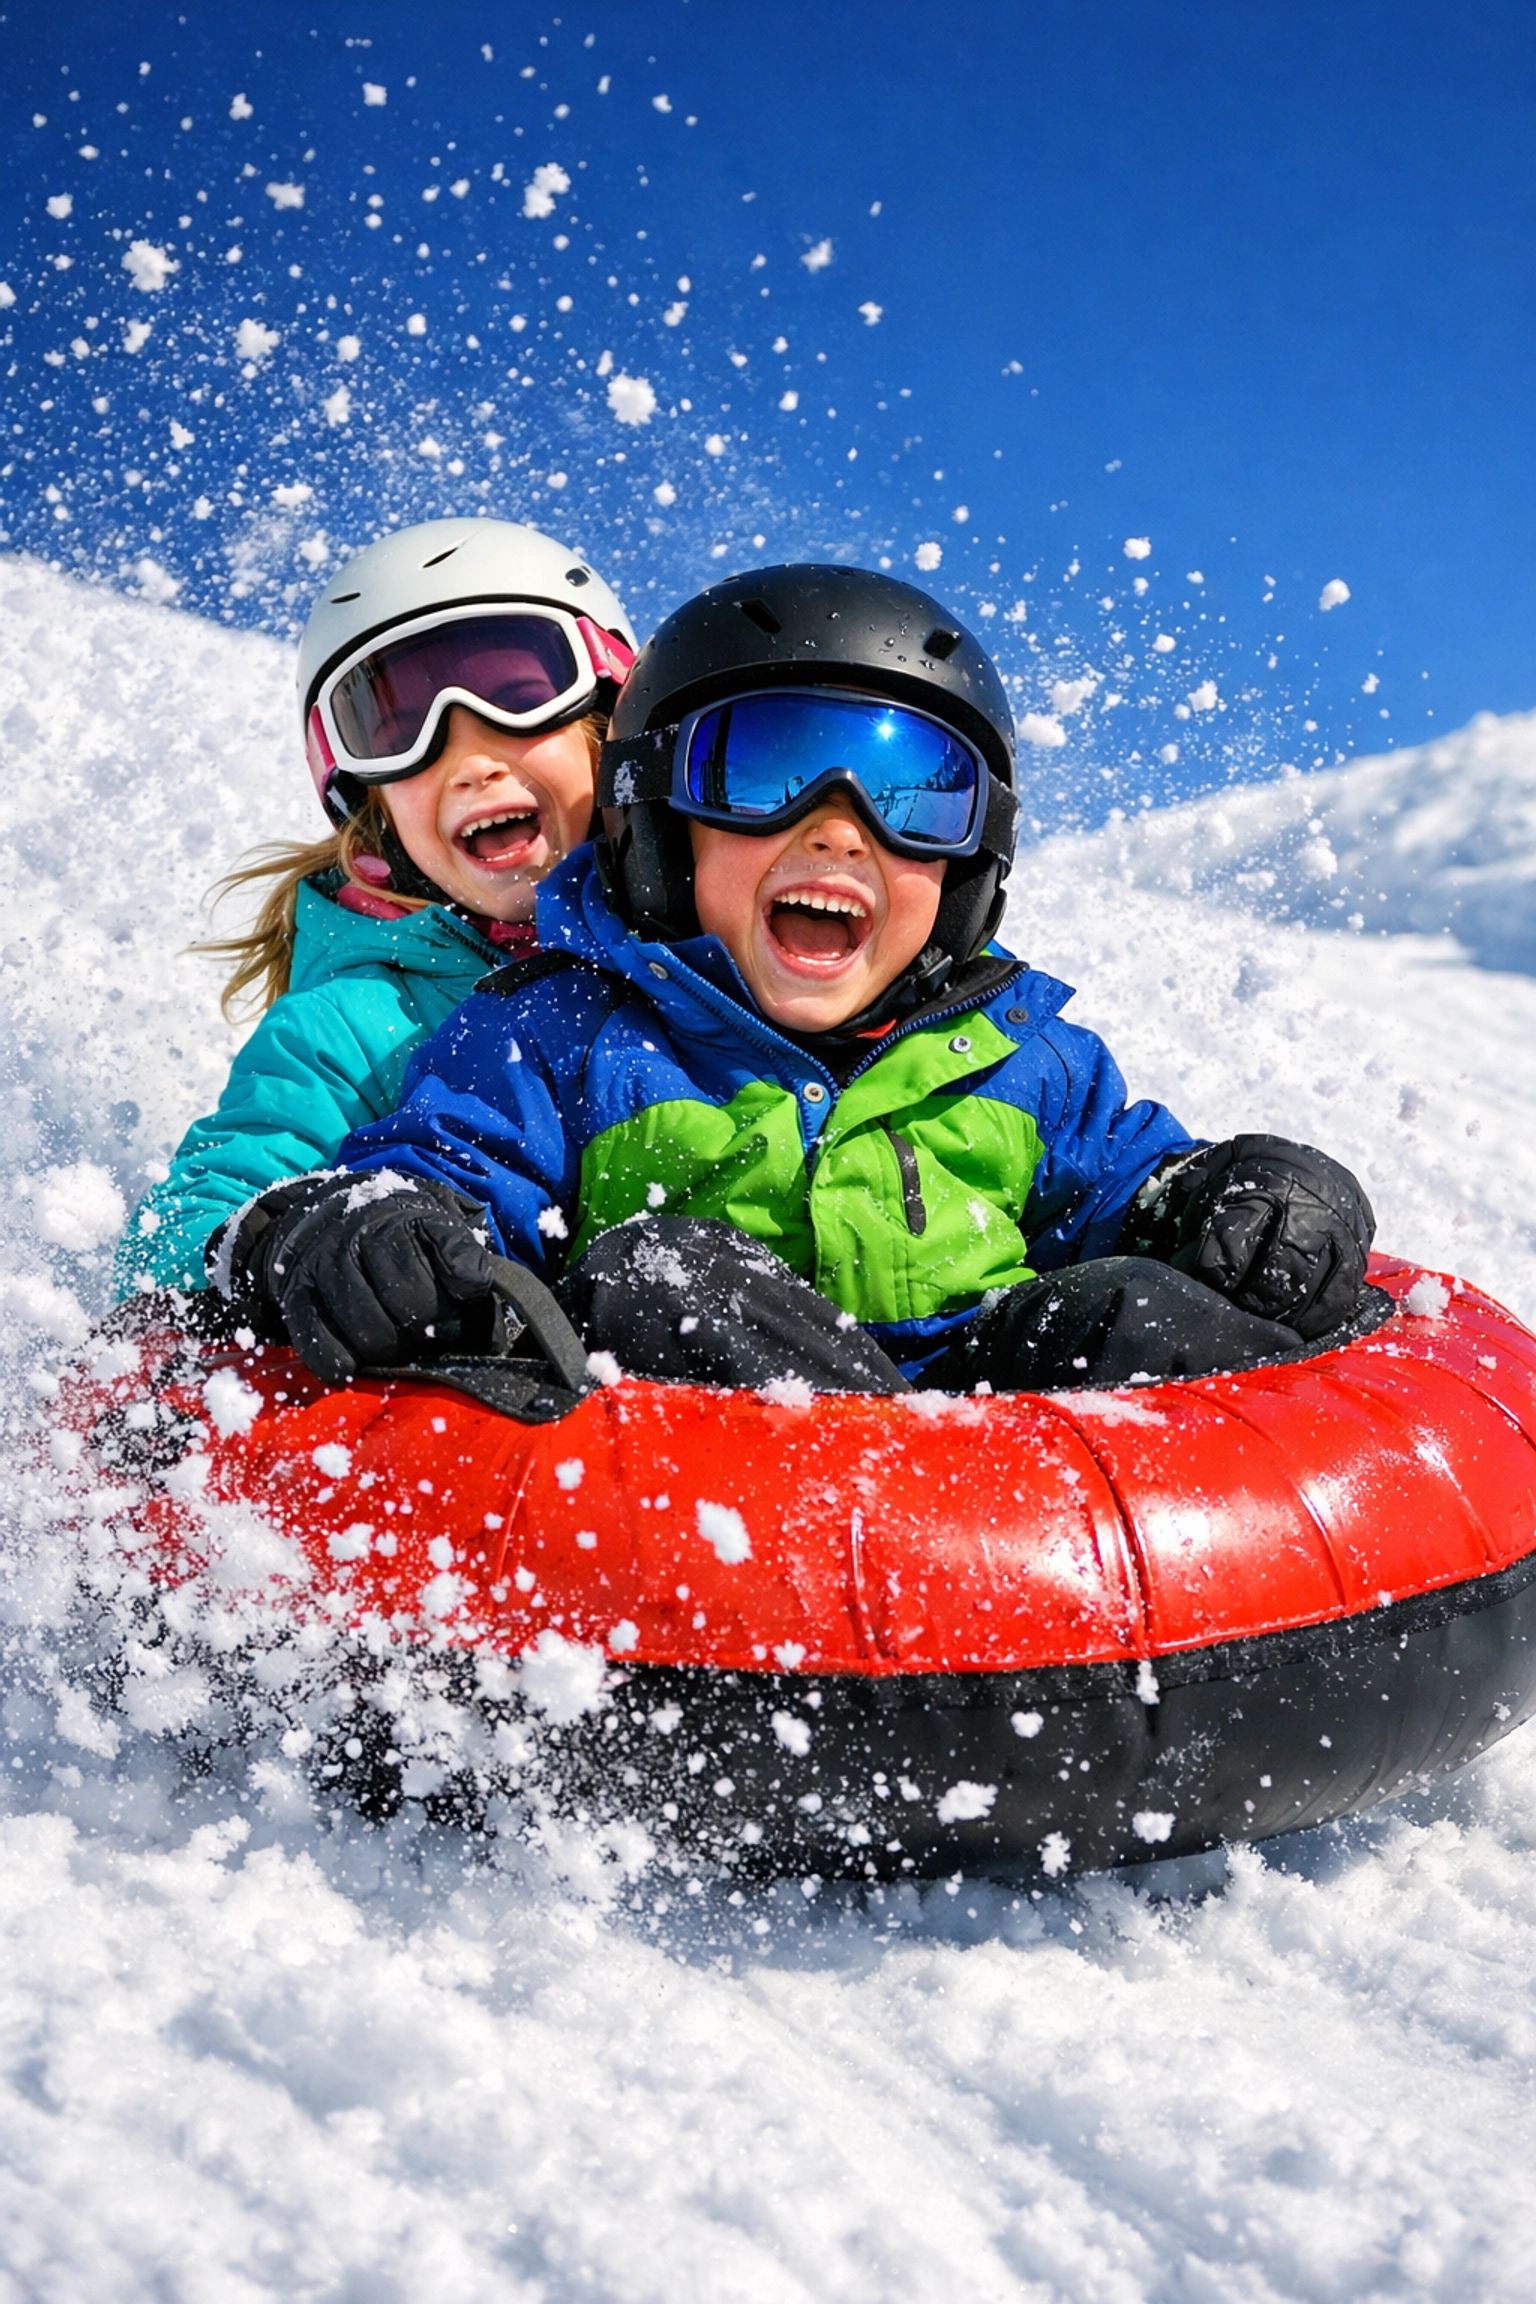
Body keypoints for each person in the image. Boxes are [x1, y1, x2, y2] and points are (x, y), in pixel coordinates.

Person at [213, 563, 1376, 1398]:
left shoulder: (1023, 1060)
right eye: (760, 776)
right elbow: (447, 1165)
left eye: (916, 794)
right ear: (659, 826)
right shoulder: (556, 1033)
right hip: (726, 1524)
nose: (841, 833)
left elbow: (1130, 1184)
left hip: (1003, 1497)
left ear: (972, 863)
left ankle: (1246, 1603)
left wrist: (1241, 1196)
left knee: (1125, 1312)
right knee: (664, 1275)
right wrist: (359, 1230)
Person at [114, 517, 636, 1297]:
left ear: (606, 723)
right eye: (396, 730)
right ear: (372, 807)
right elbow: (180, 1240)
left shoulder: (709, 955)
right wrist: (282, 1246)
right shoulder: (353, 1030)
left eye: (522, 699)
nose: (471, 762)